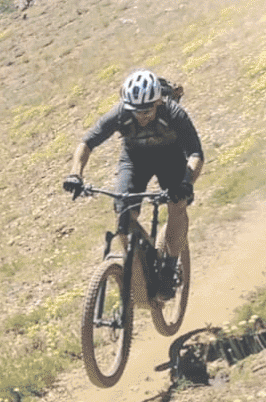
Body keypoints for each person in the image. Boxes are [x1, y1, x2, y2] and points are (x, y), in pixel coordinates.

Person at [64, 70, 204, 302]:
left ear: (158, 102)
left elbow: (196, 154)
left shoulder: (174, 113)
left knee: (177, 205)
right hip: (135, 159)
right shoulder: (121, 113)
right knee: (123, 217)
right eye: (135, 111)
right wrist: (75, 175)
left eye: (147, 110)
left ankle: (169, 267)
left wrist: (186, 184)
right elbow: (86, 143)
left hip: (170, 157)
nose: (141, 116)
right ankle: (144, 269)